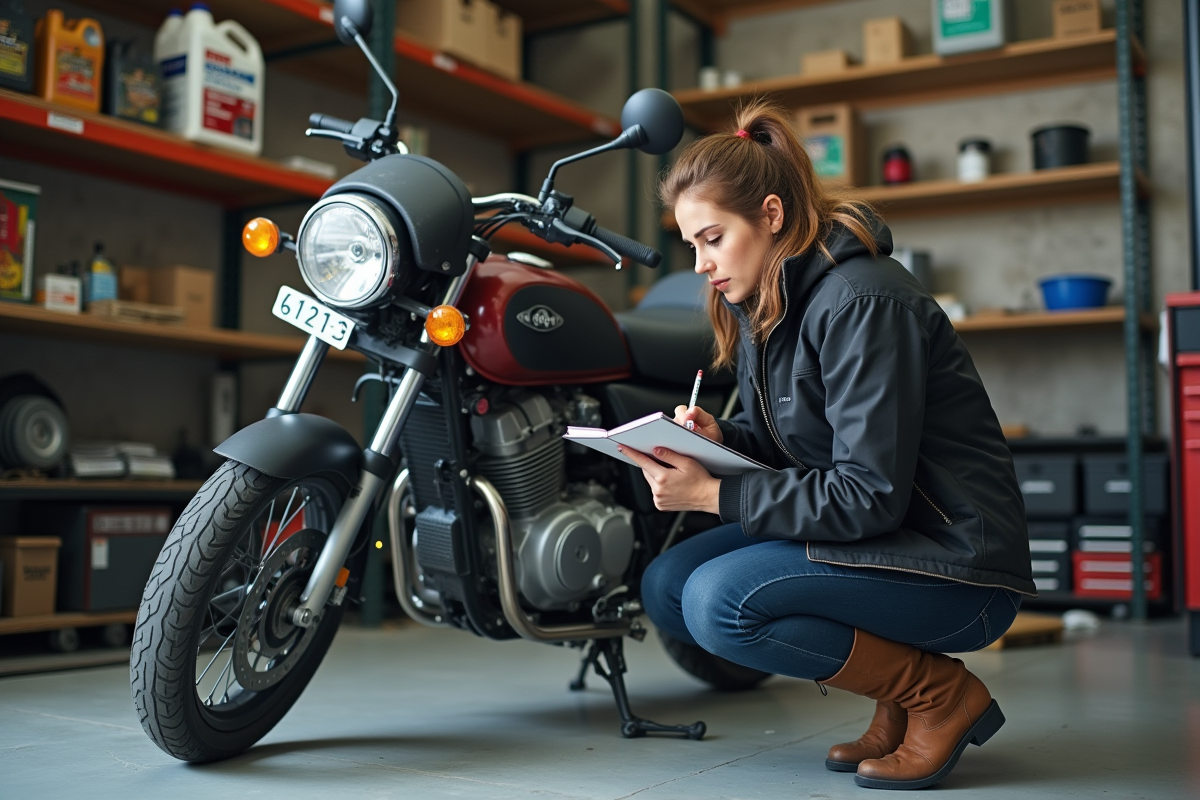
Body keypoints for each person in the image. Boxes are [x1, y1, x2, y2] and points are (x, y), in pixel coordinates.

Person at [619, 101, 1035, 792]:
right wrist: (723, 438)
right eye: (692, 245)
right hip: (882, 538)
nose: (701, 264)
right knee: (667, 585)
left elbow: (867, 494)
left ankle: (938, 696)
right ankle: (898, 695)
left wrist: (716, 494)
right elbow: (796, 449)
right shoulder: (767, 304)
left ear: (771, 215)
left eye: (713, 238)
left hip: (955, 565)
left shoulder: (862, 302)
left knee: (718, 602)